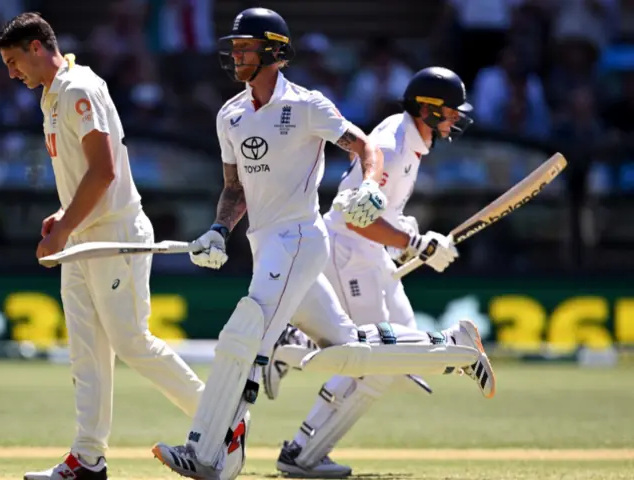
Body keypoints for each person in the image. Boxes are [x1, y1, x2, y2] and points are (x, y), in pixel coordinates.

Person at [151, 9, 490, 479]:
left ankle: (209, 455)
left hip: (298, 240)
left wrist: (371, 187)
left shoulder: (308, 105)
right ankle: (454, 348)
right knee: (347, 350)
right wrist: (218, 231)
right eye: (234, 47)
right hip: (265, 246)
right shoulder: (230, 114)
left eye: (245, 46)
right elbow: (234, 189)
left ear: (274, 51)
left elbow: (363, 146)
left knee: (241, 337)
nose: (235, 54)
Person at [0, 13, 247, 480]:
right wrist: (66, 216)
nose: (12, 73)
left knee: (132, 342)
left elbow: (104, 170)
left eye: (13, 61)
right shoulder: (53, 92)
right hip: (86, 235)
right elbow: (86, 175)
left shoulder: (77, 89)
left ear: (35, 46)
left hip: (113, 235)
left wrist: (65, 226)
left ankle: (225, 423)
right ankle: (88, 457)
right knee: (86, 350)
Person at [263, 66, 497, 478]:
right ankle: (301, 453)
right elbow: (353, 215)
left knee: (402, 349)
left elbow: (382, 210)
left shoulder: (411, 140)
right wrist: (412, 243)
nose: (456, 119)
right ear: (427, 109)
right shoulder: (392, 144)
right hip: (348, 249)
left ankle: (291, 344)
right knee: (372, 364)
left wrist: (414, 236)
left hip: (369, 251)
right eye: (450, 112)